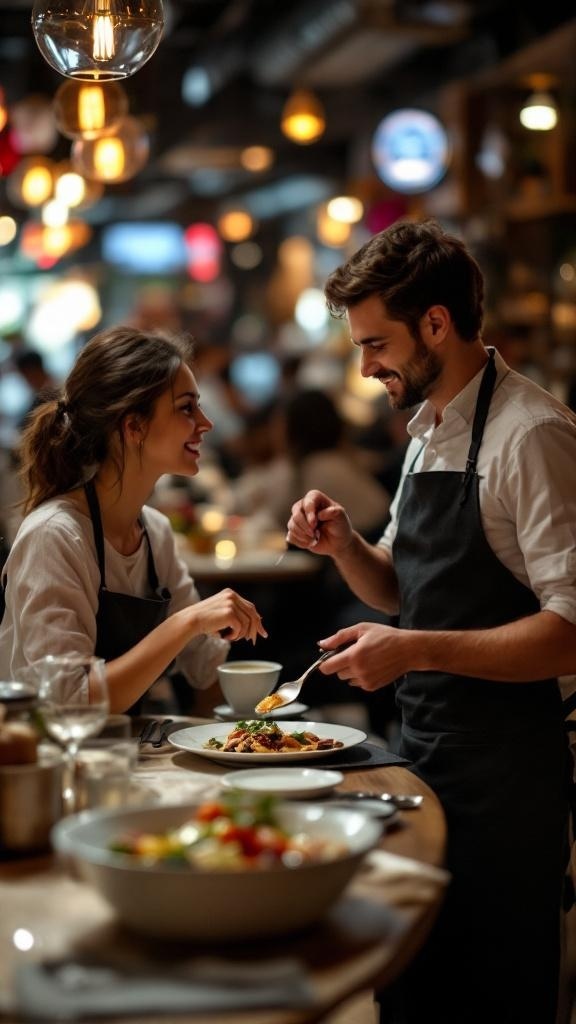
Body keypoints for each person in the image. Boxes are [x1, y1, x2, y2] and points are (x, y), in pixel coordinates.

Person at [285, 219, 576, 1024]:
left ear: (437, 324)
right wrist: (346, 546)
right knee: (413, 988)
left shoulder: (533, 434)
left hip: (509, 774)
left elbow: (570, 630)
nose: (366, 367)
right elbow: (399, 589)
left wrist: (413, 650)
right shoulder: (426, 431)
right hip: (424, 755)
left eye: (376, 344)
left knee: (492, 996)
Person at [0, 326, 267, 713]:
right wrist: (185, 624)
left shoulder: (155, 531)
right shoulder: (54, 536)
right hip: (46, 748)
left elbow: (206, 667)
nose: (206, 423)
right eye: (186, 408)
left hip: (130, 746)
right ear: (134, 426)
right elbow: (69, 701)